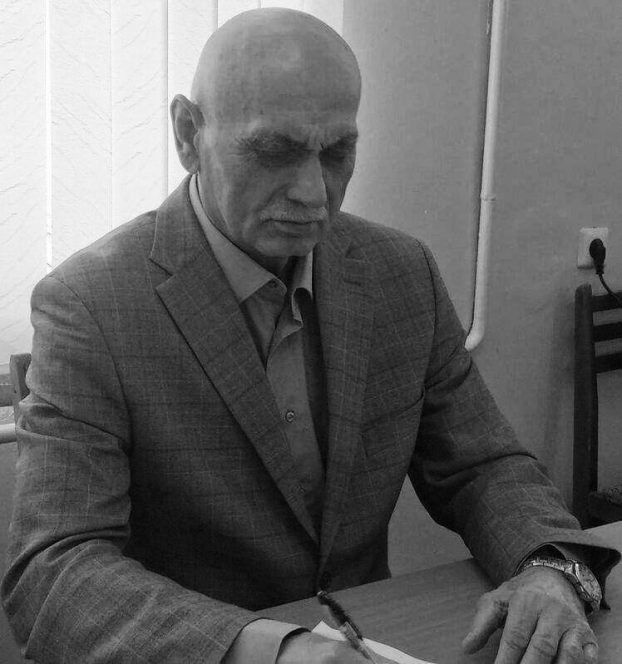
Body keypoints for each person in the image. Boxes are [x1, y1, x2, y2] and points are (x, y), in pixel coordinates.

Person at [1, 8, 619, 664]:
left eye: (337, 152)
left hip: (375, 639)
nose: (313, 192)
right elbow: (55, 572)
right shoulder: (91, 303)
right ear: (187, 134)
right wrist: (273, 650)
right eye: (275, 151)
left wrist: (552, 567)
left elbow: (483, 464)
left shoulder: (399, 272)